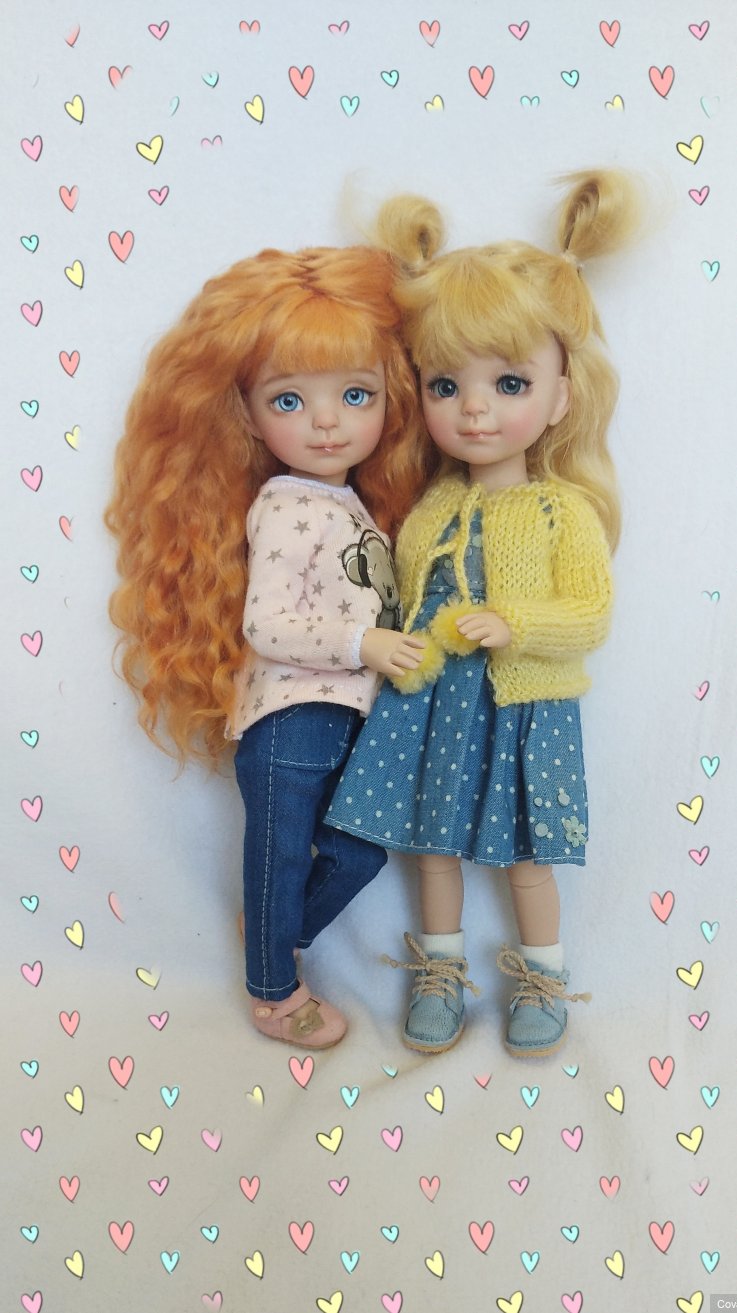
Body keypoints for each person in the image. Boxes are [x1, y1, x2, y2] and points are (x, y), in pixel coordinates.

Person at [326, 172, 637, 1057]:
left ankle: (542, 976)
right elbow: (408, 597)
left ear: (561, 396)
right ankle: (439, 970)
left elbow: (590, 613)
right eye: (445, 384)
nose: (475, 408)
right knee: (432, 847)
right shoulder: (431, 508)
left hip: (523, 705)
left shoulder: (561, 511)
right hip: (433, 704)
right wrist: (402, 647)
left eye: (508, 382)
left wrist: (517, 624)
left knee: (525, 855)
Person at [105, 245, 429, 1048]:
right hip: (291, 716)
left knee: (358, 852)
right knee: (282, 855)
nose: (327, 421)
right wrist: (364, 642)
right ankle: (275, 993)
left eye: (355, 395)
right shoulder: (286, 503)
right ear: (249, 416)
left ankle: (271, 933)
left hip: (342, 714)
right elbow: (268, 626)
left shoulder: (348, 503)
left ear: (389, 399)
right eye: (290, 399)